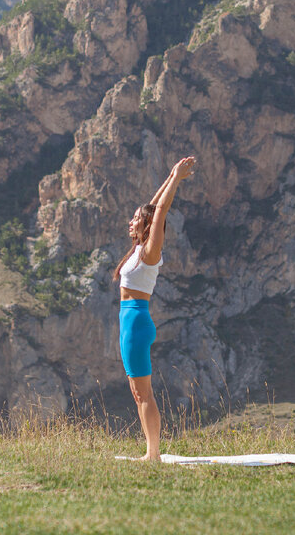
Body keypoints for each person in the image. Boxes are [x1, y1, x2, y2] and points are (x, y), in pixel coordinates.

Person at [114, 155, 196, 462]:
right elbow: (152, 205)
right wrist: (169, 176)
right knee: (138, 393)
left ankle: (153, 454)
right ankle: (151, 451)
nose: (132, 220)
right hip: (130, 320)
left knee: (143, 393)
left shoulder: (150, 251)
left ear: (147, 226)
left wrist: (176, 178)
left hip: (135, 320)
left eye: (137, 219)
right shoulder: (138, 249)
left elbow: (159, 211)